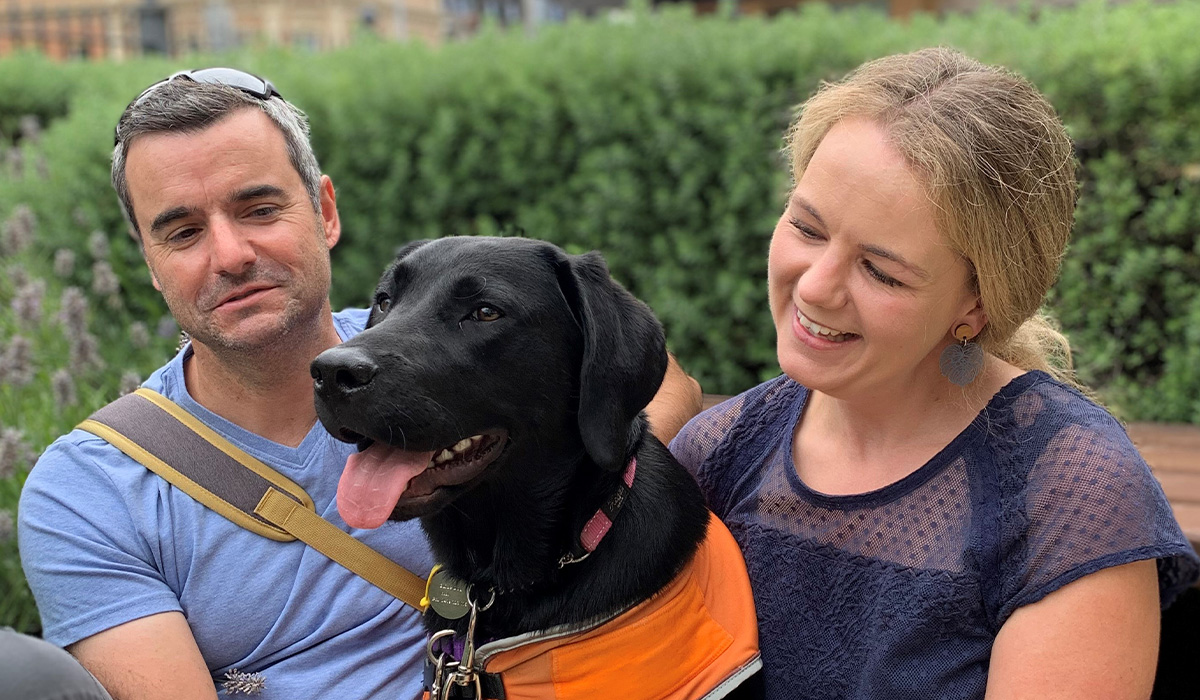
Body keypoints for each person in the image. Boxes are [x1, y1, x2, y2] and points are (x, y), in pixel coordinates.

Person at [17, 68, 702, 700]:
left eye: (259, 209)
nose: (230, 255)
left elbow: (650, 383)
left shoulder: (446, 346)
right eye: (183, 231)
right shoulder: (88, 493)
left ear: (325, 211)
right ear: (149, 262)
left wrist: (579, 499)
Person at [669, 47, 1200, 699]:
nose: (816, 287)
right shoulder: (715, 455)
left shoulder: (1067, 495)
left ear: (977, 302)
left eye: (880, 271)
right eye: (807, 228)